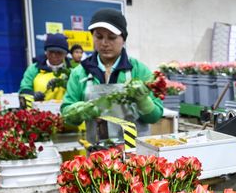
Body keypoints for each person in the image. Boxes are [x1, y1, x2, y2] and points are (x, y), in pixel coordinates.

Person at [61, 8, 163, 139]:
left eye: (112, 37)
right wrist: (79, 111)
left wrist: (143, 101)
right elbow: (66, 115)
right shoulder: (80, 73)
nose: (104, 43)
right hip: (98, 155)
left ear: (123, 39)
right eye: (99, 37)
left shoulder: (138, 70)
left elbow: (155, 117)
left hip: (135, 154)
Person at [19, 33, 72, 103]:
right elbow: (24, 89)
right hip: (39, 111)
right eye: (51, 51)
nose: (54, 55)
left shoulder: (72, 71)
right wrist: (33, 95)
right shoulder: (34, 68)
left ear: (65, 54)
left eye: (59, 52)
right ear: (46, 52)